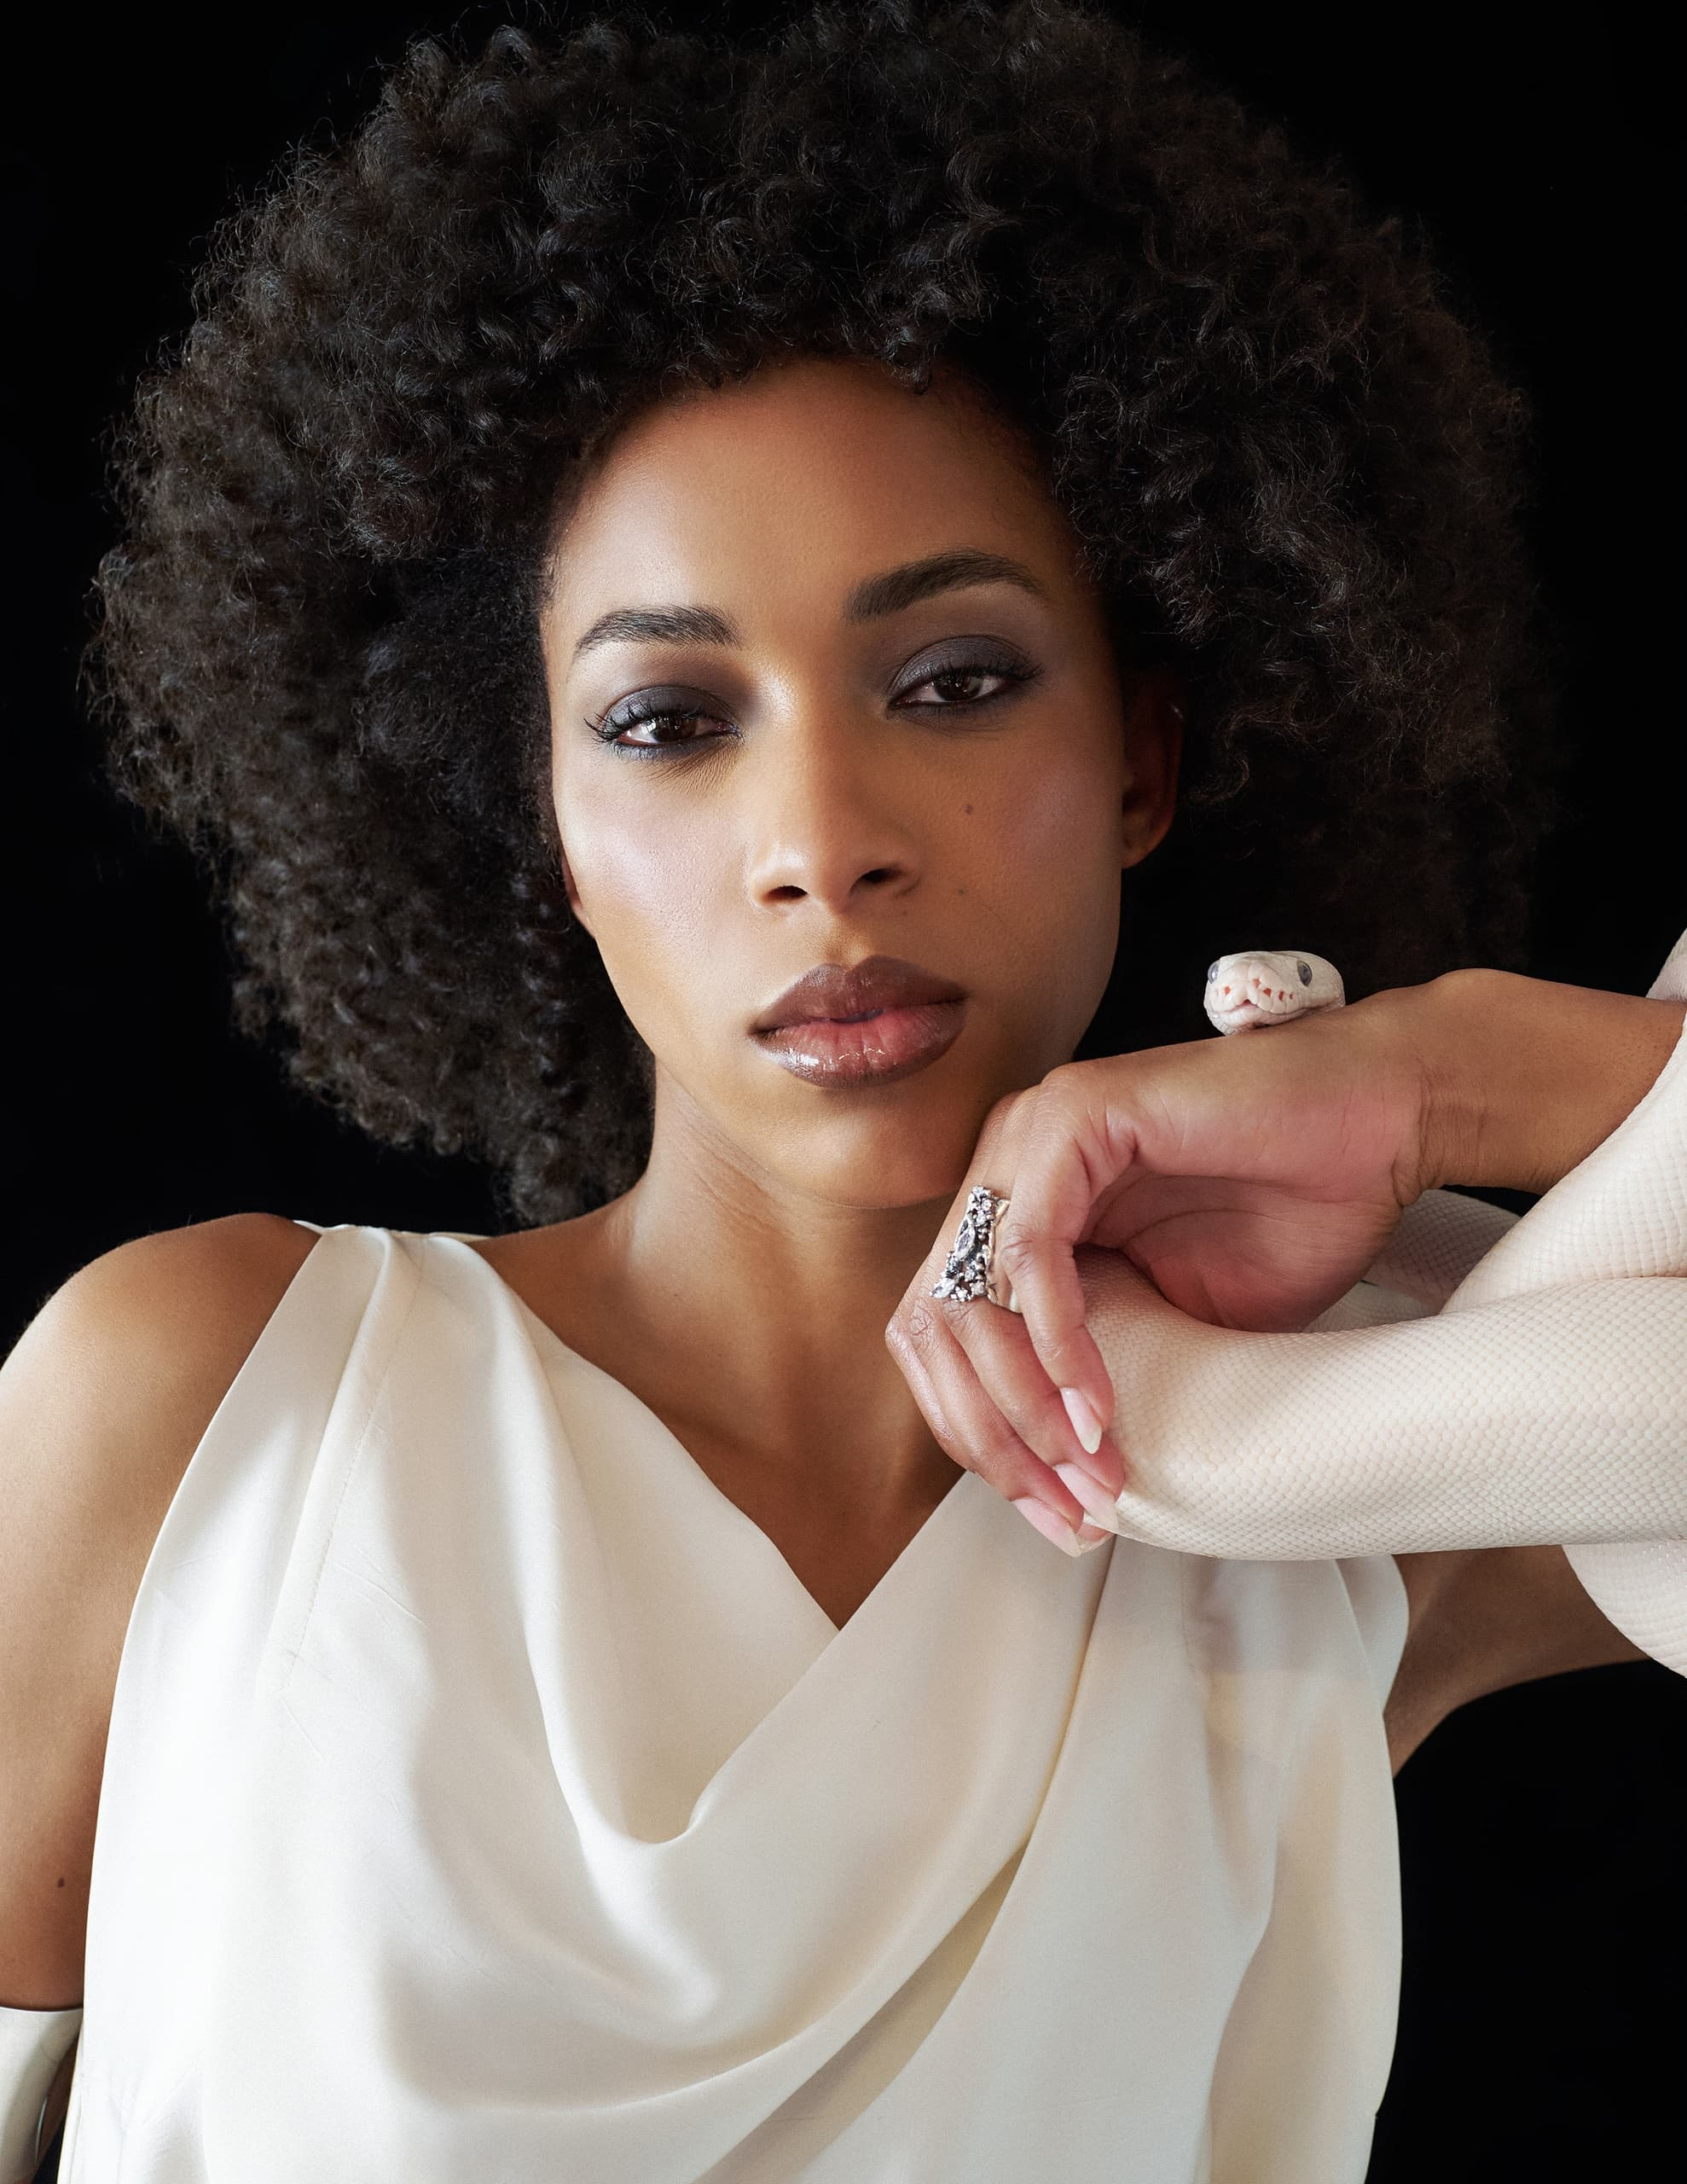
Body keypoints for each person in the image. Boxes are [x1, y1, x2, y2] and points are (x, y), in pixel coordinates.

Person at [2, 3, 1682, 2178]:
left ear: (1143, 756)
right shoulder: (209, 1413)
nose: (821, 839)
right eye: (666, 720)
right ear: (539, 820)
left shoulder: (1327, 1524)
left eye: (952, 680)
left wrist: (1443, 1076)